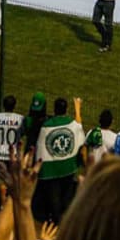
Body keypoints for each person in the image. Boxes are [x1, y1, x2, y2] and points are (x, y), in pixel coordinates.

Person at [31, 96, 83, 224]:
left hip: (51, 168)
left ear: (54, 109)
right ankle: (62, 222)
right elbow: (79, 126)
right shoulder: (71, 123)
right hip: (68, 165)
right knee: (66, 196)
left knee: (54, 197)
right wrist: (78, 108)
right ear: (66, 109)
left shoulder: (46, 125)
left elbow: (41, 145)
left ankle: (55, 222)